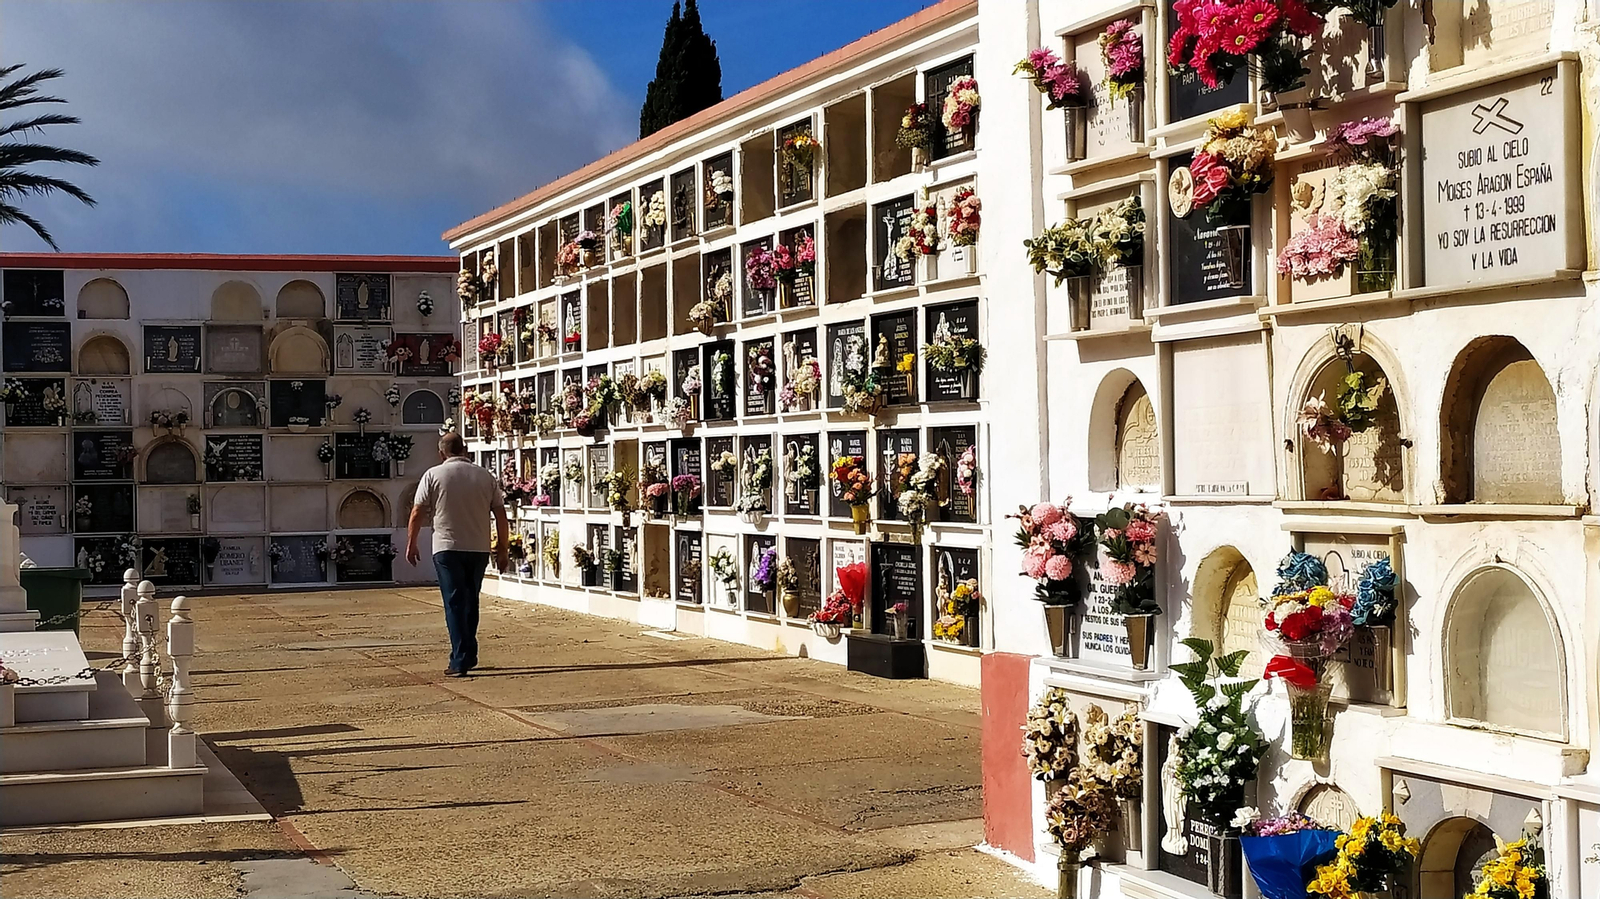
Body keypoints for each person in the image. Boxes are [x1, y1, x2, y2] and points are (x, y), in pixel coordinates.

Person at [407, 431, 508, 677]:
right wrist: (502, 549)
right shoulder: (485, 476)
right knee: (471, 600)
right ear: (465, 450)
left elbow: (418, 511)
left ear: (441, 453)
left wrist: (412, 542)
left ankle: (460, 659)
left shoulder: (433, 474)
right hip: (478, 547)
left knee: (454, 602)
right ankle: (468, 653)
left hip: (447, 547)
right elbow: (500, 515)